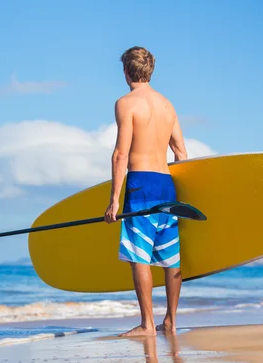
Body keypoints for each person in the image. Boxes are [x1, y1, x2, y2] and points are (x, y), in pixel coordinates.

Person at [104, 46, 188, 337]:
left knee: (139, 256)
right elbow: (180, 152)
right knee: (170, 256)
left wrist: (114, 200)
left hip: (140, 183)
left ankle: (147, 324)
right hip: (167, 183)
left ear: (126, 71)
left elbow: (120, 155)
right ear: (149, 71)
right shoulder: (167, 105)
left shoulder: (126, 103)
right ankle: (171, 322)